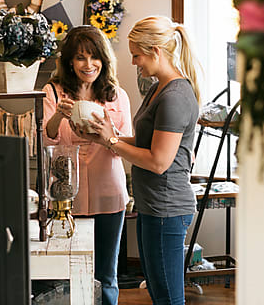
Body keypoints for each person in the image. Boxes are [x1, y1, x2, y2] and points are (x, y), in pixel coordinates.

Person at [72, 16, 201, 305]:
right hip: (152, 206)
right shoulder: (158, 89)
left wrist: (112, 141)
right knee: (158, 294)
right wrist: (102, 137)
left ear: (155, 50)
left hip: (166, 209)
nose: (134, 62)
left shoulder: (175, 96)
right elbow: (144, 144)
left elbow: (158, 161)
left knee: (168, 298)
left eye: (136, 55)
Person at [42, 25, 132, 305]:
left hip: (109, 193)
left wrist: (108, 135)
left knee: (106, 274)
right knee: (65, 275)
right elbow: (47, 138)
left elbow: (126, 144)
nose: (88, 64)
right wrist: (59, 115)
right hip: (67, 196)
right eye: (80, 57)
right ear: (70, 60)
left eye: (94, 57)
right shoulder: (53, 91)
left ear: (104, 61)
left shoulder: (117, 95)